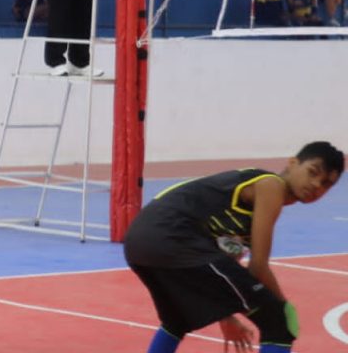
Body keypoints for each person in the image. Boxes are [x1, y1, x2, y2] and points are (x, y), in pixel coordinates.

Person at [123, 141, 343, 353]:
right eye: (313, 172)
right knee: (278, 321)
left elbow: (219, 276)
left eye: (326, 184)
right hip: (170, 236)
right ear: (293, 162)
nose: (316, 185)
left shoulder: (246, 208)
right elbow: (258, 267)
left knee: (177, 319)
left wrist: (226, 315)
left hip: (140, 242)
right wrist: (284, 306)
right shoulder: (271, 185)